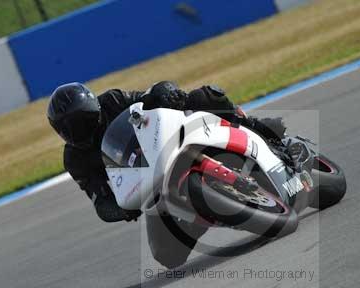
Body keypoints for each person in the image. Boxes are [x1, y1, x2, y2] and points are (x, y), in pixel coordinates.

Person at [47, 81, 290, 266]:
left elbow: (147, 98)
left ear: (95, 109)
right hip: (151, 187)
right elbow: (100, 200)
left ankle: (261, 129)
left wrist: (166, 92)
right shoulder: (75, 159)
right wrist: (121, 209)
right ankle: (205, 214)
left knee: (202, 96)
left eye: (83, 121)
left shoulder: (113, 100)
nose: (79, 130)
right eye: (69, 128)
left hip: (166, 144)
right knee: (166, 256)